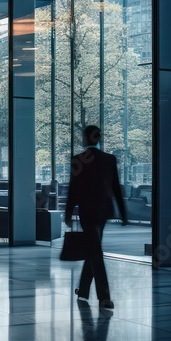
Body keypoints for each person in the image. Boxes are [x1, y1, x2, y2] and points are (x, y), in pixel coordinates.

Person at [64, 125, 128, 310]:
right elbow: (116, 186)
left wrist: (69, 212)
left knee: (95, 251)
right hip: (103, 211)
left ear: (86, 138)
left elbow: (73, 189)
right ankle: (83, 290)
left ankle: (104, 298)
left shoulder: (79, 160)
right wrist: (123, 213)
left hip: (87, 212)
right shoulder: (109, 159)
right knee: (94, 248)